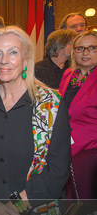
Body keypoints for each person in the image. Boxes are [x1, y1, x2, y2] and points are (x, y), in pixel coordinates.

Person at [0, 26, 71, 214]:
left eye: (13, 52)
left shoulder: (50, 105)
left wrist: (16, 206)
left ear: (26, 59)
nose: (4, 60)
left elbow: (58, 168)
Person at [59, 30, 97, 199]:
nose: (86, 52)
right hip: (64, 145)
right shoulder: (69, 74)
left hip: (90, 150)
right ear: (74, 52)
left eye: (92, 48)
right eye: (80, 48)